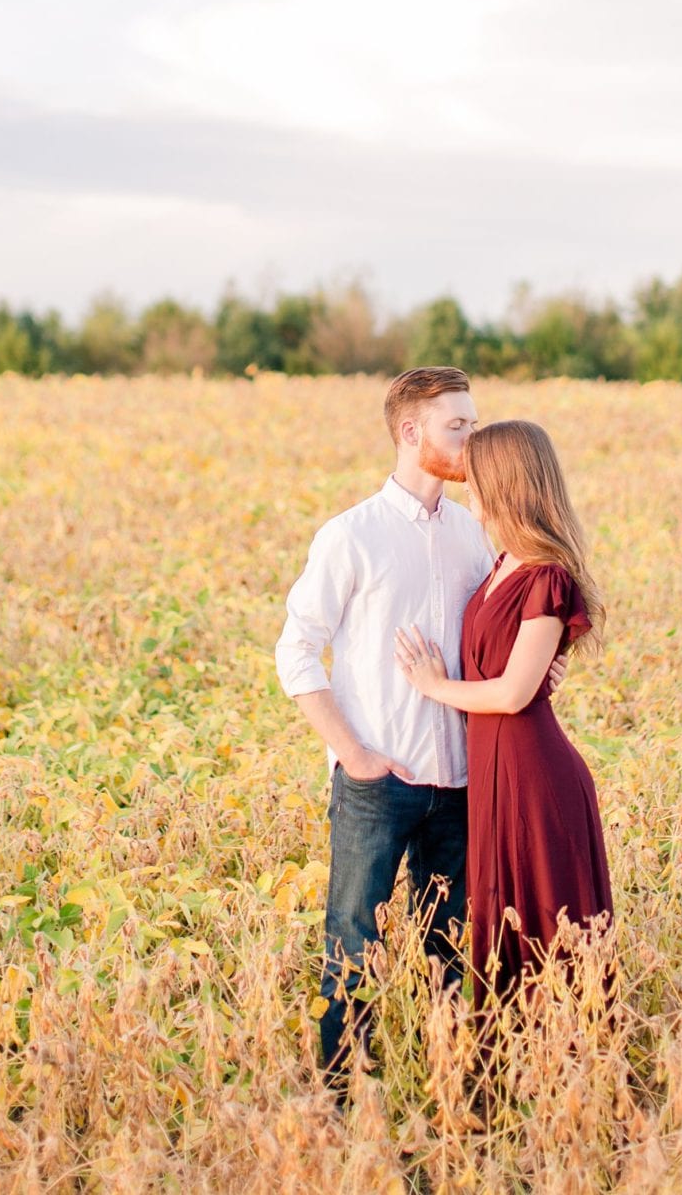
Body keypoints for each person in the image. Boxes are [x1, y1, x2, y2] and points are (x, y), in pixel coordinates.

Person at [274, 368, 564, 1083]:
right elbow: (295, 650)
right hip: (379, 781)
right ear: (411, 433)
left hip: (465, 780)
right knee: (354, 941)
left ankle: (450, 1082)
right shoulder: (352, 536)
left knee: (454, 946)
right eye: (457, 426)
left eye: (472, 421)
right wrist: (354, 755)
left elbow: (514, 631)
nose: (473, 438)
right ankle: (342, 1098)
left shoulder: (476, 536)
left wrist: (544, 670)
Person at [394, 418, 611, 1015]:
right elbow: (518, 669)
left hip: (534, 776)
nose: (469, 487)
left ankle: (563, 1072)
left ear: (506, 483)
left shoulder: (545, 576)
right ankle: (510, 1071)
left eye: (478, 476)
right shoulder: (502, 564)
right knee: (504, 918)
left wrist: (436, 686)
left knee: (545, 922)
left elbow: (514, 695)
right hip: (494, 770)